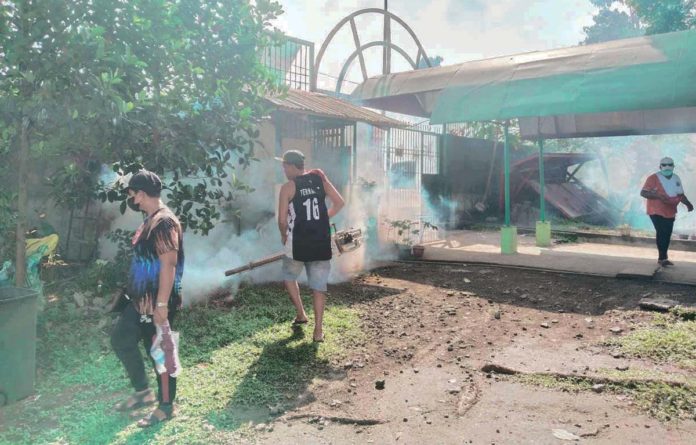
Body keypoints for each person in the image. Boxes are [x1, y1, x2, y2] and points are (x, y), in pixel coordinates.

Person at [111, 170, 184, 427]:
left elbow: (169, 264)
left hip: (157, 301)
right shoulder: (150, 219)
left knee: (160, 353)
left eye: (133, 195)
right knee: (120, 338)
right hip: (139, 300)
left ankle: (166, 406)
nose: (133, 200)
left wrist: (162, 304)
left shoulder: (164, 222)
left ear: (141, 193)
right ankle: (143, 392)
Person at [277, 150, 344, 342]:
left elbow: (282, 220)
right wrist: (323, 218)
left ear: (291, 166)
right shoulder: (320, 179)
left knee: (289, 277)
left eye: (284, 166)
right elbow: (340, 202)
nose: (283, 170)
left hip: (296, 244)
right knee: (318, 286)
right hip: (321, 242)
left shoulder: (288, 187)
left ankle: (301, 314)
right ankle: (318, 331)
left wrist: (283, 235)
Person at [640, 157, 693, 266]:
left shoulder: (676, 178)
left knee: (667, 233)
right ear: (660, 166)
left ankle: (663, 258)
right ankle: (662, 258)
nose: (667, 167)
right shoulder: (653, 178)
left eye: (670, 164)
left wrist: (688, 204)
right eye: (664, 165)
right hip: (655, 210)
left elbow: (680, 194)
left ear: (673, 166)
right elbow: (643, 193)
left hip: (670, 210)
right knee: (661, 231)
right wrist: (658, 196)